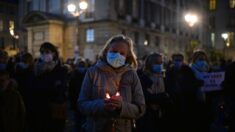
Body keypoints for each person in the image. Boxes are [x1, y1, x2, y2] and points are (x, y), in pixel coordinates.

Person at [78, 35, 145, 132]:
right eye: (114, 51)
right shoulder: (93, 72)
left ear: (127, 57)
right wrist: (102, 105)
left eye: (122, 53)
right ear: (106, 52)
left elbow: (140, 108)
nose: (118, 55)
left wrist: (122, 107)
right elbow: (82, 104)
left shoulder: (132, 75)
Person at [30, 42, 68, 132]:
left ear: (54, 53)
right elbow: (32, 88)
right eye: (42, 52)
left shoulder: (60, 70)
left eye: (47, 52)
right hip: (39, 111)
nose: (44, 55)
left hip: (55, 112)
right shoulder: (36, 70)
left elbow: (60, 90)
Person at [137, 53, 172, 132]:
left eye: (161, 63)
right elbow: (145, 96)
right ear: (150, 64)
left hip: (161, 115)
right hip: (147, 116)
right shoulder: (143, 78)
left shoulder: (164, 78)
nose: (159, 65)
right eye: (156, 63)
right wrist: (162, 96)